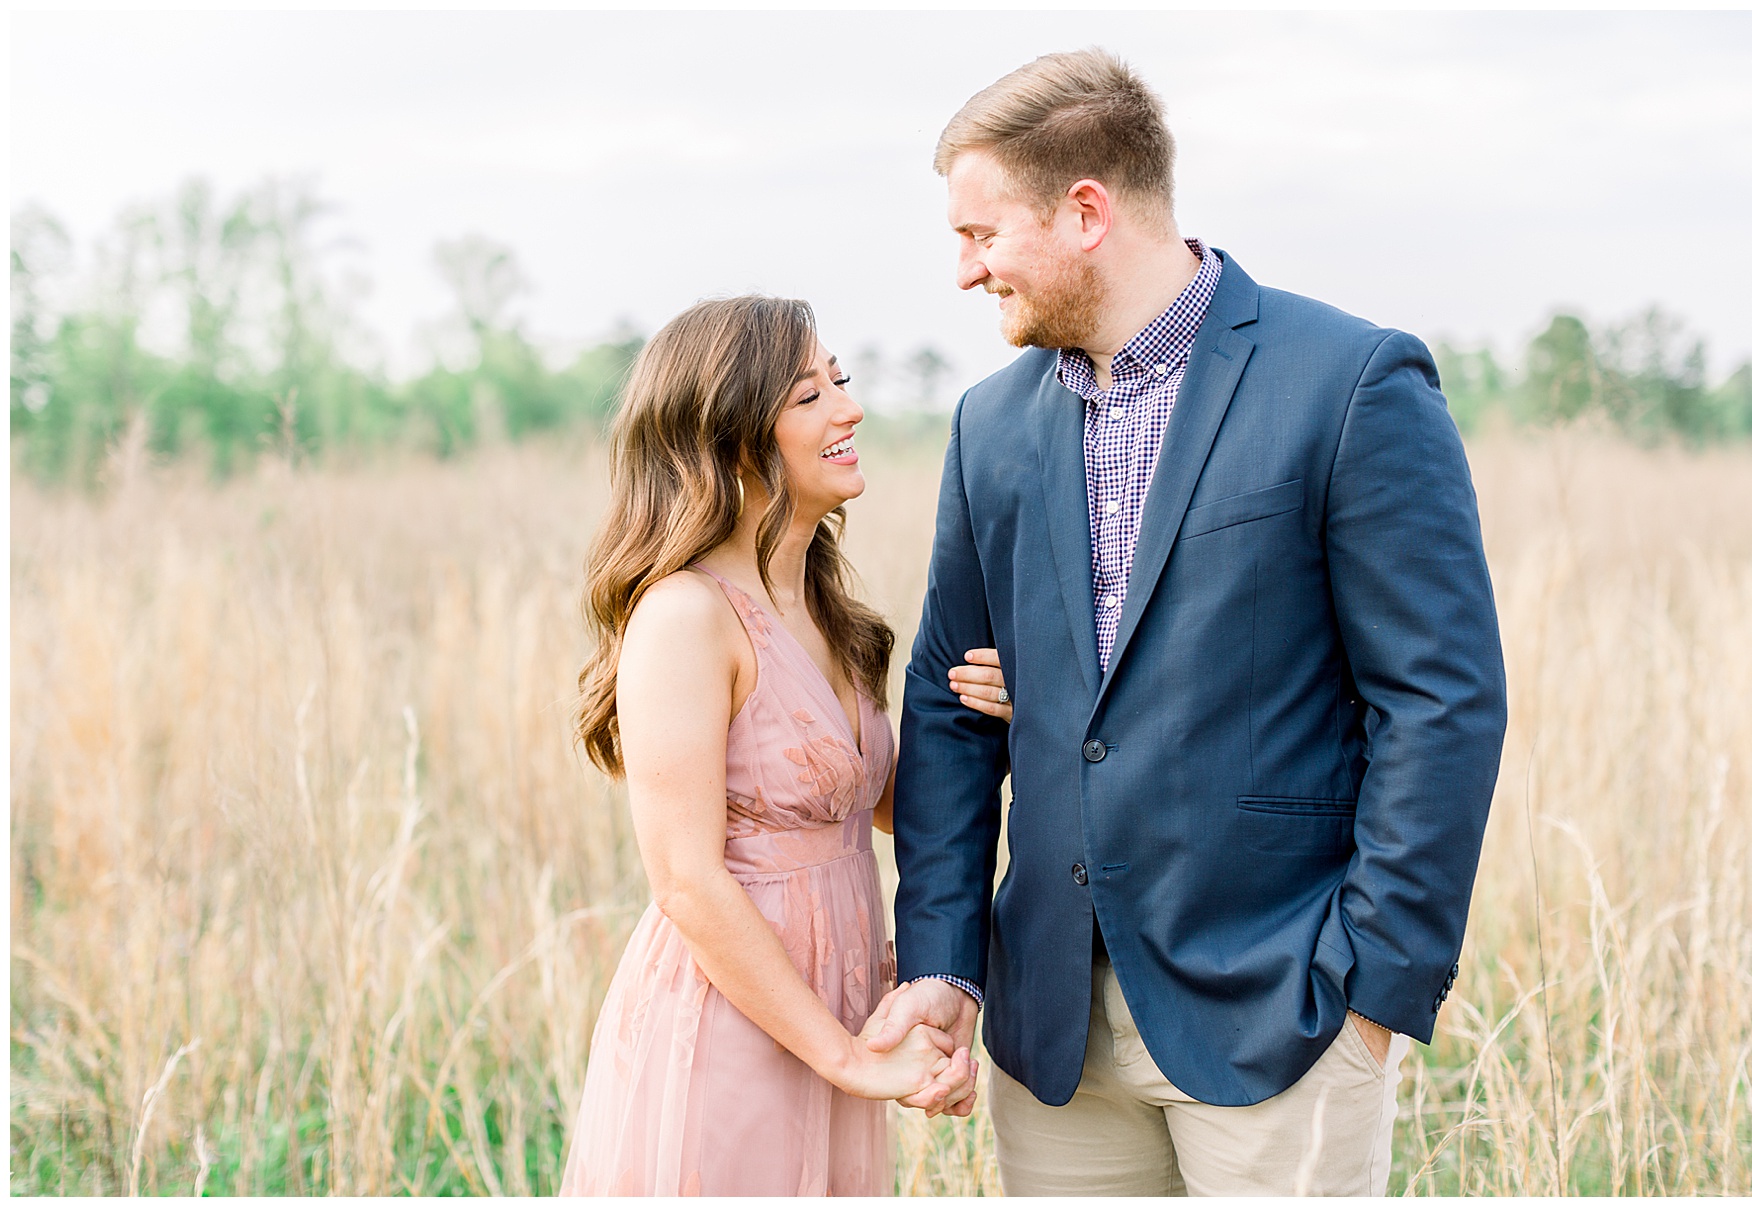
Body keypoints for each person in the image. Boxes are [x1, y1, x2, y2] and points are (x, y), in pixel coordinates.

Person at [863, 48, 1508, 1195]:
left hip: (1284, 1012)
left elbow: (1440, 699)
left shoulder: (1349, 381)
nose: (964, 271)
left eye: (980, 234)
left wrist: (1373, 989)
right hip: (1051, 1028)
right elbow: (948, 708)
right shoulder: (991, 426)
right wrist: (947, 962)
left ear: (1086, 212)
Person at [558, 295, 1003, 1195]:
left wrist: (1023, 712)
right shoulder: (686, 615)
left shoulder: (827, 613)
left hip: (836, 1014)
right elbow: (685, 880)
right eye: (809, 395)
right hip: (731, 1024)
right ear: (726, 438)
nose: (850, 408)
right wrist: (843, 1055)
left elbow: (891, 806)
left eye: (839, 380)